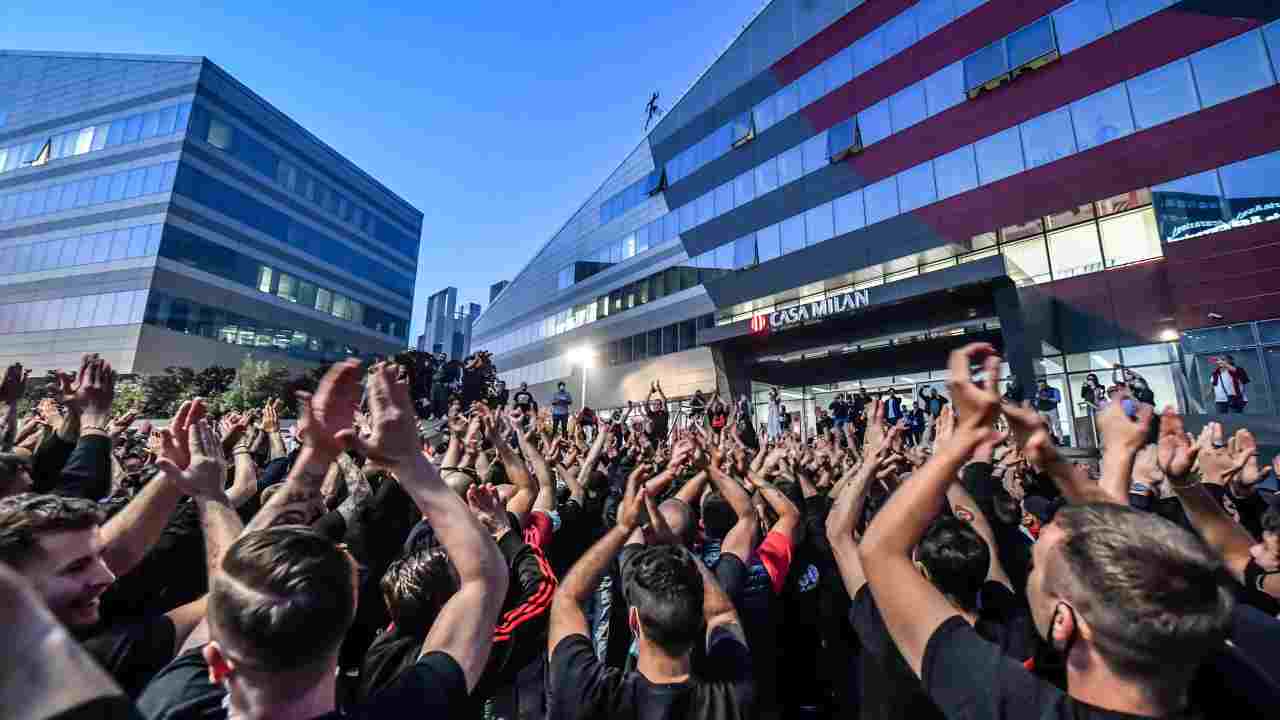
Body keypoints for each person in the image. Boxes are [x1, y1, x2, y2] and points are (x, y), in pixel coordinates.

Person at [859, 343, 1239, 720]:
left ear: (1064, 622)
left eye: (1037, 568)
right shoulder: (1217, 663)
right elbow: (1135, 559)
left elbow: (880, 550)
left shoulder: (1015, 707)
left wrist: (964, 437)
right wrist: (1079, 460)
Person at [137, 361, 510, 719]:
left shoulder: (172, 702)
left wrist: (219, 492)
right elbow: (484, 580)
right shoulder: (405, 710)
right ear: (345, 622)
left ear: (215, 662)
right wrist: (410, 461)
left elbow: (232, 591)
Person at [545, 466, 754, 720]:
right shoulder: (729, 699)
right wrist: (675, 544)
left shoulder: (591, 695)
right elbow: (722, 614)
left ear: (634, 621)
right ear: (700, 619)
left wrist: (623, 527)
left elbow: (566, 598)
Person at [1035, 379, 1062, 443]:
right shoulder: (1037, 392)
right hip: (1042, 411)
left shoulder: (1054, 390)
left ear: (1046, 384)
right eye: (1039, 385)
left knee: (1057, 425)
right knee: (1046, 426)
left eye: (1042, 385)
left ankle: (1061, 440)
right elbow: (1035, 403)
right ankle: (1050, 441)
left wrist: (1047, 398)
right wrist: (1037, 397)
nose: (1040, 387)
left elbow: (1058, 400)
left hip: (1052, 410)